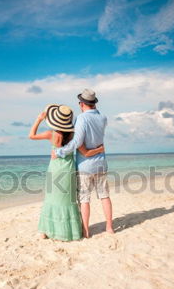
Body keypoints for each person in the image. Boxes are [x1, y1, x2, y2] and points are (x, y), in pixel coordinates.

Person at [29, 104, 104, 241]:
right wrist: (99, 150)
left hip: (55, 169)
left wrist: (39, 119)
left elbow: (31, 135)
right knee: (67, 200)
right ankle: (70, 232)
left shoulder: (50, 134)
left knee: (52, 199)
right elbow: (86, 152)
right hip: (68, 169)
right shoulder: (73, 136)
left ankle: (46, 231)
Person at [52, 88, 114, 238]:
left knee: (85, 199)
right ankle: (109, 227)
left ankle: (86, 231)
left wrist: (59, 152)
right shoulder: (103, 118)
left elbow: (78, 142)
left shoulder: (81, 118)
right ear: (94, 103)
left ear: (82, 104)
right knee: (104, 196)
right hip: (100, 163)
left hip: (85, 166)